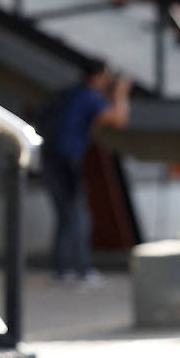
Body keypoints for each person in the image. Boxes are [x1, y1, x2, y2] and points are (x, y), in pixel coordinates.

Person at [37, 60, 131, 285]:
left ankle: (60, 270)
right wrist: (121, 92)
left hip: (49, 158)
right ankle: (82, 270)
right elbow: (119, 119)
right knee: (78, 216)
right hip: (65, 161)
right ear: (98, 77)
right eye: (107, 77)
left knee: (65, 215)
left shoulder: (71, 94)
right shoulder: (89, 96)